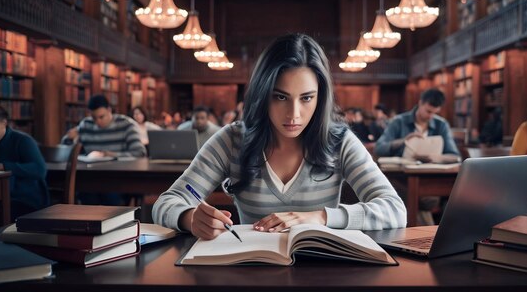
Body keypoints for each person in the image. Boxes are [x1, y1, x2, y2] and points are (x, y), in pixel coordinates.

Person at [153, 33, 406, 240]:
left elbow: (395, 210)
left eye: (306, 98)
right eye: (280, 97)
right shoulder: (231, 140)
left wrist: (321, 217)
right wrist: (189, 218)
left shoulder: (339, 141)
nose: (294, 114)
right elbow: (166, 203)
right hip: (251, 269)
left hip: (324, 274)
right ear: (263, 94)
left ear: (320, 97)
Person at [0, 101, 49, 219]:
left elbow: (40, 170)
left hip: (24, 199)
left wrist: (3, 166)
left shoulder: (22, 140)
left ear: (4, 123)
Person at [375, 88, 460, 163]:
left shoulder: (441, 124)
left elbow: (455, 156)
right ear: (420, 103)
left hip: (433, 174)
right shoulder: (398, 121)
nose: (431, 116)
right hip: (402, 175)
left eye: (435, 113)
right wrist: (404, 140)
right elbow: (379, 149)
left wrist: (438, 158)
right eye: (428, 111)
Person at [62, 94, 147, 158]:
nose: (97, 121)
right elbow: (65, 152)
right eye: (94, 118)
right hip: (90, 173)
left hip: (119, 173)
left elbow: (140, 152)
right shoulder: (86, 125)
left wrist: (113, 155)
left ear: (109, 110)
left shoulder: (126, 125)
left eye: (101, 117)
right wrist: (69, 138)